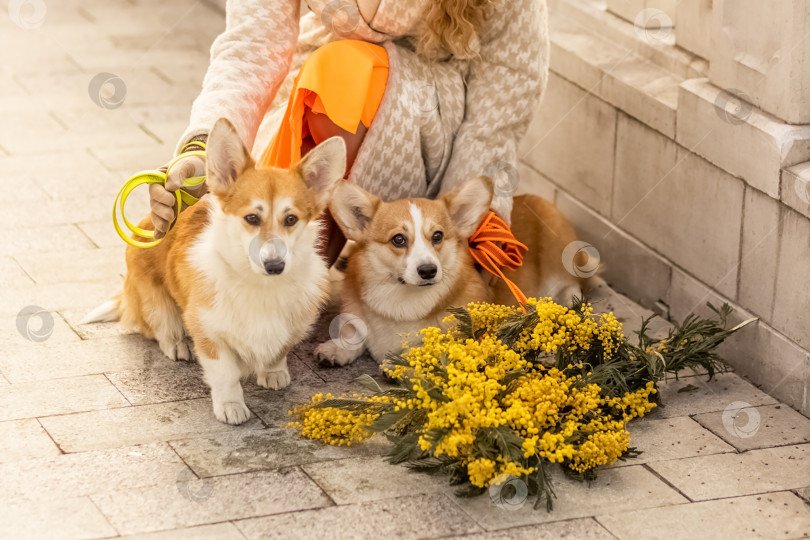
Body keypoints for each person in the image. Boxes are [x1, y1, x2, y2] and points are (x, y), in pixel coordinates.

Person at [148, 0, 549, 264]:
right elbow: (250, 47)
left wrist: (466, 222)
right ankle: (285, 270)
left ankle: (301, 281)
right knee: (235, 222)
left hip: (430, 115)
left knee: (345, 69)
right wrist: (201, 149)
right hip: (309, 83)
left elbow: (503, 97)